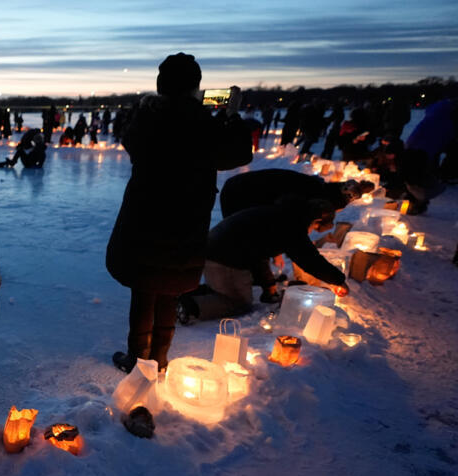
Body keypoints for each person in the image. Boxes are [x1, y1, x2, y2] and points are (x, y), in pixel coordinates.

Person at [105, 53, 252, 373]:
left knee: (144, 288)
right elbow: (237, 153)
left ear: (161, 85)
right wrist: (230, 117)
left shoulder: (149, 118)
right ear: (195, 87)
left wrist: (145, 108)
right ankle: (158, 358)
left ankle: (138, 358)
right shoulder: (204, 124)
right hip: (187, 220)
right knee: (169, 289)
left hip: (145, 217)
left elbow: (131, 141)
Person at [178, 199, 348, 323]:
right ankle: (187, 306)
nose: (311, 233)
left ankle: (180, 294)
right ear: (316, 220)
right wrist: (337, 280)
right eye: (315, 229)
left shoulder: (283, 214)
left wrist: (268, 286)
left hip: (215, 249)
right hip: (224, 257)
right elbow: (309, 259)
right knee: (238, 302)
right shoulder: (292, 225)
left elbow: (259, 252)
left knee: (224, 288)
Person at [219, 169, 367, 218]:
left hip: (239, 186)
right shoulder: (306, 195)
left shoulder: (316, 186)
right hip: (241, 192)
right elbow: (281, 223)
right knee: (238, 234)